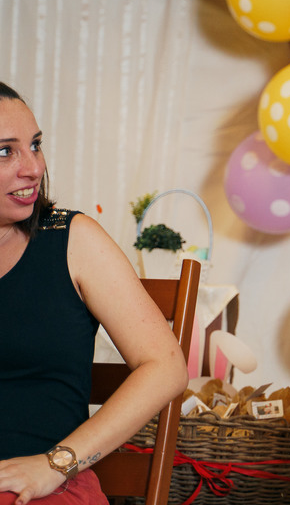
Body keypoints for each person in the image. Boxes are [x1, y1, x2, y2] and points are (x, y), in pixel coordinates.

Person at [0, 83, 189, 505]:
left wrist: (55, 464)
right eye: (5, 152)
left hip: (44, 487)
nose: (32, 167)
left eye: (35, 145)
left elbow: (167, 366)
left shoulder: (72, 238)